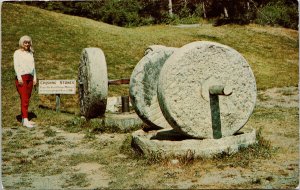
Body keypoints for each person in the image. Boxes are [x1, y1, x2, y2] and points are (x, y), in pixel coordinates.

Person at [14, 35, 37, 128]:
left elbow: (33, 67)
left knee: (27, 98)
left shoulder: (30, 53)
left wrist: (35, 78)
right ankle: (25, 120)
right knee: (24, 99)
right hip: (22, 78)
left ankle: (25, 119)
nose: (27, 44)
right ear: (21, 43)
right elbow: (16, 65)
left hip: (30, 77)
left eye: (28, 42)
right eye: (25, 42)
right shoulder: (17, 53)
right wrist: (19, 77)